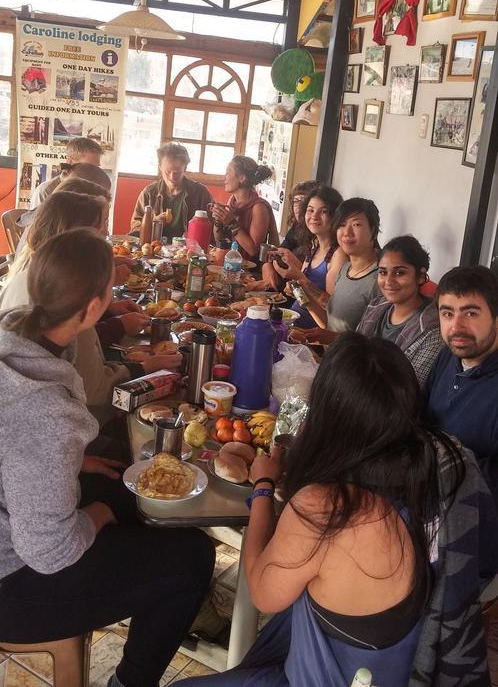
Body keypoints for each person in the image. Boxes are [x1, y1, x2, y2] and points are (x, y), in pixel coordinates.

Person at [183, 333, 498, 686]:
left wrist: (262, 487)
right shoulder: (449, 465)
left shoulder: (329, 508)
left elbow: (262, 592)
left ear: (327, 414)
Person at [0, 229, 215, 687]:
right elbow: (47, 550)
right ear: (93, 308)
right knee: (192, 556)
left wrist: (74, 463)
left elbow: (11, 446)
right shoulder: (43, 411)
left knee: (134, 494)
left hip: (7, 520)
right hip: (9, 584)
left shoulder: (9, 328)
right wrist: (94, 514)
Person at [0, 192, 181, 427]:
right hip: (76, 424)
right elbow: (94, 393)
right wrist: (145, 368)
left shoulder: (35, 276)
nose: (106, 232)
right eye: (100, 226)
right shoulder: (73, 314)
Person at [424, 265, 498, 506]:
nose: (456, 327)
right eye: (447, 313)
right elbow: (419, 413)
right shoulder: (450, 355)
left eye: (471, 313)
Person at [357, 235, 443, 387]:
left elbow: (408, 388)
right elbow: (353, 352)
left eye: (399, 273)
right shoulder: (375, 307)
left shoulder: (433, 330)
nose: (389, 281)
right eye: (383, 272)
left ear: (421, 276)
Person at [269, 186, 346, 329]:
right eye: (310, 210)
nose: (314, 216)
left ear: (335, 216)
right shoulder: (313, 246)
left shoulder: (338, 254)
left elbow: (330, 309)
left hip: (311, 331)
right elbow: (304, 292)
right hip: (293, 320)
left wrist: (298, 276)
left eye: (323, 211)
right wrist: (293, 288)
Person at [130, 141, 212, 240]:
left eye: (177, 172)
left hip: (188, 251)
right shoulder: (149, 193)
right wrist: (153, 224)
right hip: (154, 249)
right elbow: (135, 228)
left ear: (185, 168)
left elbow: (211, 229)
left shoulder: (200, 193)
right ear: (160, 167)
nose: (172, 177)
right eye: (167, 171)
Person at [325, 197, 381, 331]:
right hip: (330, 350)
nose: (347, 233)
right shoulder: (346, 268)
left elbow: (370, 341)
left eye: (356, 224)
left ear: (373, 230)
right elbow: (333, 325)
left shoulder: (382, 278)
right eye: (341, 225)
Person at [211, 155, 279, 263]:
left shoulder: (258, 208)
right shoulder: (232, 201)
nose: (225, 177)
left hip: (251, 272)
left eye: (228, 172)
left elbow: (253, 250)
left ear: (242, 178)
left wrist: (232, 222)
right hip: (231, 264)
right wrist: (218, 222)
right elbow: (220, 241)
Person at [262, 180, 318, 290]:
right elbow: (276, 253)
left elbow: (316, 283)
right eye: (295, 201)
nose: (298, 206)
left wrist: (296, 265)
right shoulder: (297, 227)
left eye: (303, 201)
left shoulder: (319, 238)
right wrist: (268, 265)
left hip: (301, 297)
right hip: (286, 290)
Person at [29, 136, 103, 208]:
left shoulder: (95, 191)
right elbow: (37, 220)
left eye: (97, 168)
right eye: (89, 167)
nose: (94, 172)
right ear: (70, 161)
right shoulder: (45, 191)